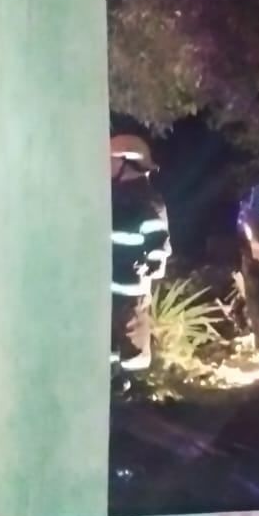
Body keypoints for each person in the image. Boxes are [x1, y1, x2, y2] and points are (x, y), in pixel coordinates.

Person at [110, 134, 170, 373]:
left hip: (129, 295)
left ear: (127, 162)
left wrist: (144, 269)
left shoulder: (147, 203)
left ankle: (130, 391)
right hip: (111, 292)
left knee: (129, 353)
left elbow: (158, 249)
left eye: (111, 161)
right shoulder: (114, 199)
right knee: (110, 352)